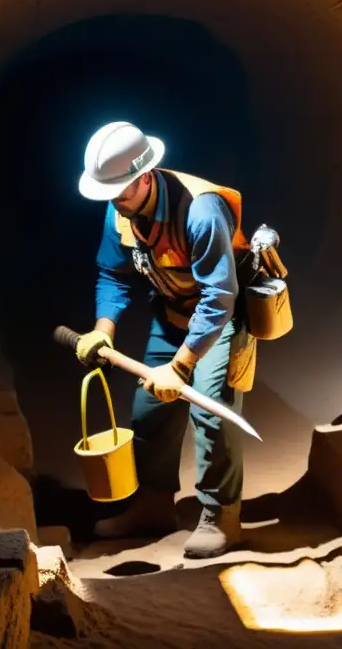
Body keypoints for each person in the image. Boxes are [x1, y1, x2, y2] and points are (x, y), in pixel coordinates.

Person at [74, 121, 257, 559]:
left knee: (211, 412)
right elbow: (112, 273)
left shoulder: (201, 209)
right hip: (172, 314)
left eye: (120, 192)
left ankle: (220, 515)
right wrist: (104, 331)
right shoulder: (119, 207)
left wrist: (181, 366)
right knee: (150, 412)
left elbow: (219, 297)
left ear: (143, 176)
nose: (114, 203)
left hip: (219, 322)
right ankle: (153, 506)